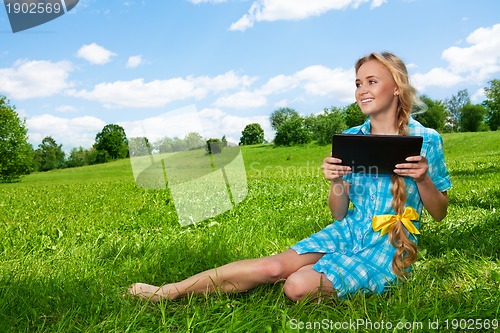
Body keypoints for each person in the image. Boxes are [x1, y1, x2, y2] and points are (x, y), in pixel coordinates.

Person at [128, 52, 451, 301]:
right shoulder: (352, 138)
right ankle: (169, 291)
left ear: (396, 87)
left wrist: (423, 179)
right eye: (357, 83)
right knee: (273, 267)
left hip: (389, 247)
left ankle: (322, 273)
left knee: (296, 288)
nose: (362, 91)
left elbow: (439, 213)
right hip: (349, 230)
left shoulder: (428, 139)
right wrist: (336, 181)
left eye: (371, 81)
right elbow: (338, 213)